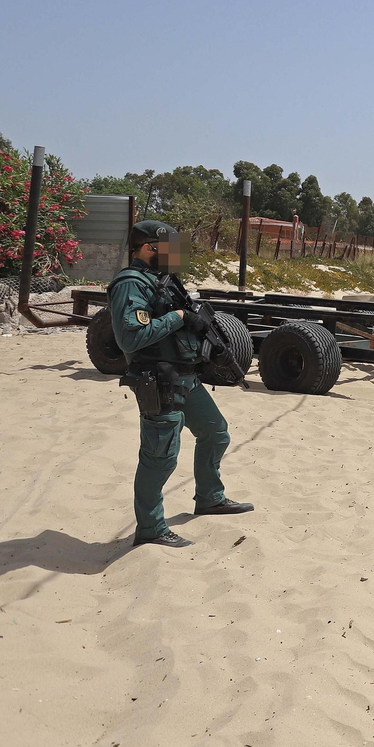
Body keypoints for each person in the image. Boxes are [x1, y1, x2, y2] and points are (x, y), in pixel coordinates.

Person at [109, 221, 253, 548]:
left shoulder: (162, 280)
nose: (176, 256)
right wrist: (179, 318)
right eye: (169, 249)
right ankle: (150, 528)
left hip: (185, 377)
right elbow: (129, 338)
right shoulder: (129, 284)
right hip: (157, 379)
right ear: (149, 248)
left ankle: (210, 497)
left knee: (216, 432)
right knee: (160, 456)